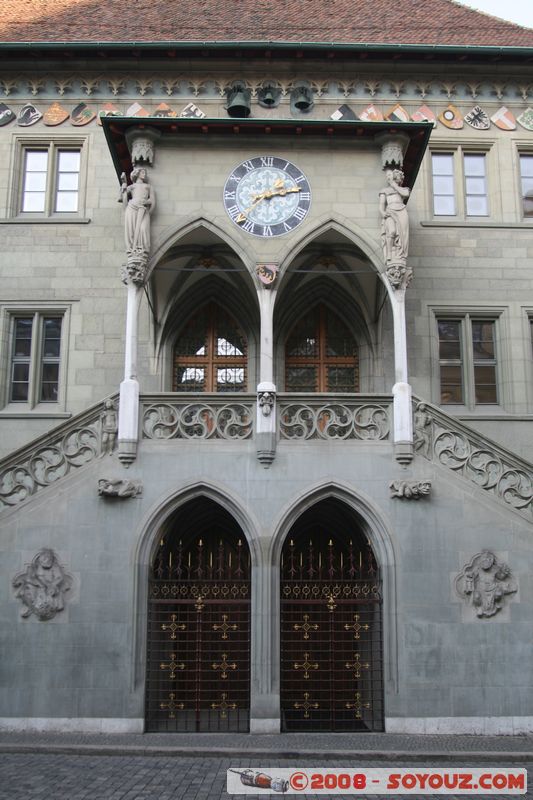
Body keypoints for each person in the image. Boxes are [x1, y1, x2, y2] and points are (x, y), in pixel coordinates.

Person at [119, 167, 155, 255]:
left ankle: (142, 248)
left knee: (143, 229)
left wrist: (147, 204)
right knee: (131, 229)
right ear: (137, 174)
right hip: (132, 208)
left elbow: (152, 201)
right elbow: (121, 198)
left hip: (143, 209)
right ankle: (132, 248)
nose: (144, 174)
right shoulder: (132, 186)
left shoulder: (148, 186)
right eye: (142, 172)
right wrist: (123, 186)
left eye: (144, 173)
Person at [379, 168, 410, 265]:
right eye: (397, 177)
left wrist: (394, 186)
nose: (399, 179)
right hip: (390, 212)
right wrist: (383, 213)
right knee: (392, 231)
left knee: (403, 234)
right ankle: (389, 254)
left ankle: (401, 254)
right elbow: (381, 205)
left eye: (400, 178)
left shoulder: (403, 190)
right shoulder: (384, 191)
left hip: (402, 212)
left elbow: (406, 194)